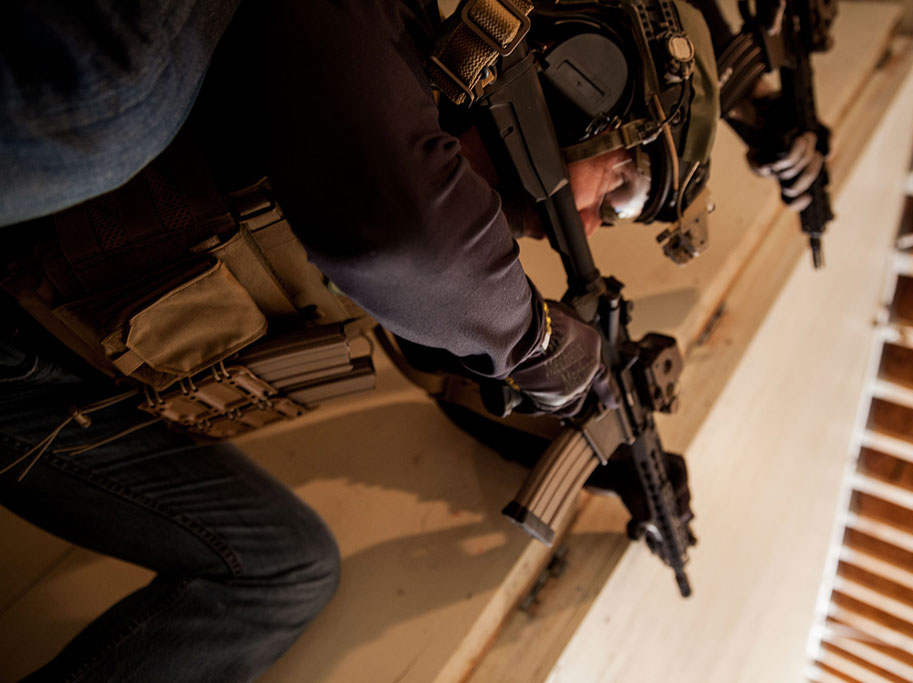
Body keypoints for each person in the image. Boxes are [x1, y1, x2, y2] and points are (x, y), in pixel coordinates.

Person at [0, 0, 825, 680]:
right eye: (621, 189)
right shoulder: (382, 29)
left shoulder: (460, 226)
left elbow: (444, 364)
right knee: (108, 102)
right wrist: (541, 343)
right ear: (591, 81)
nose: (593, 225)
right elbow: (407, 242)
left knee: (288, 572)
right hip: (24, 304)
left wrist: (600, 444)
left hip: (54, 400)